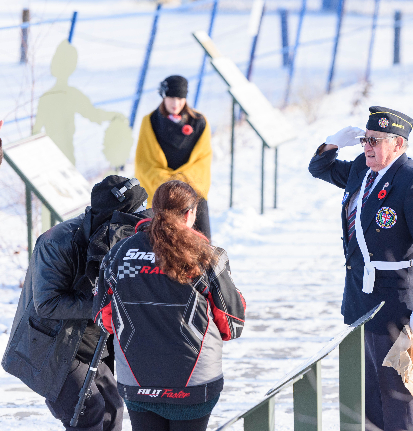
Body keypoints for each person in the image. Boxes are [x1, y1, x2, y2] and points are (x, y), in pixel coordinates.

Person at [308, 106, 413, 431]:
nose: (367, 147)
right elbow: (319, 169)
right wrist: (331, 143)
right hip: (362, 298)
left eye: (375, 140)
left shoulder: (412, 181)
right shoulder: (363, 168)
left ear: (398, 144)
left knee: (397, 394)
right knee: (370, 392)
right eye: (364, 140)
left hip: (396, 303)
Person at [2, 175, 152, 431]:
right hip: (52, 346)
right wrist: (104, 303)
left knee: (113, 407)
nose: (139, 223)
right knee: (88, 410)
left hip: (90, 342)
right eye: (134, 216)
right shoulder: (58, 242)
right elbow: (48, 304)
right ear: (112, 217)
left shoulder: (124, 242)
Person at [93, 180, 246, 431]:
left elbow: (103, 319)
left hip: (137, 380)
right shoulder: (207, 256)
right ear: (190, 214)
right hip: (194, 383)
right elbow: (232, 325)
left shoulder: (118, 254)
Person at [134, 75, 213, 240]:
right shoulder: (150, 122)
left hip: (193, 197)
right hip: (162, 198)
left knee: (201, 245)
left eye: (180, 98)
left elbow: (202, 162)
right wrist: (169, 188)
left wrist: (180, 185)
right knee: (160, 246)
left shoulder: (199, 122)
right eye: (171, 97)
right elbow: (144, 163)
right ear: (163, 96)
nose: (175, 103)